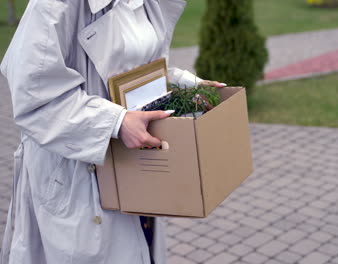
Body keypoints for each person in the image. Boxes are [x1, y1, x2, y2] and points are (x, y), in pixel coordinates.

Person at [0, 0, 225, 263]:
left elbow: (140, 71)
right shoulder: (54, 5)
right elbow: (34, 94)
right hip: (77, 174)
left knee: (140, 250)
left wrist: (186, 85)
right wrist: (116, 122)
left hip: (135, 166)